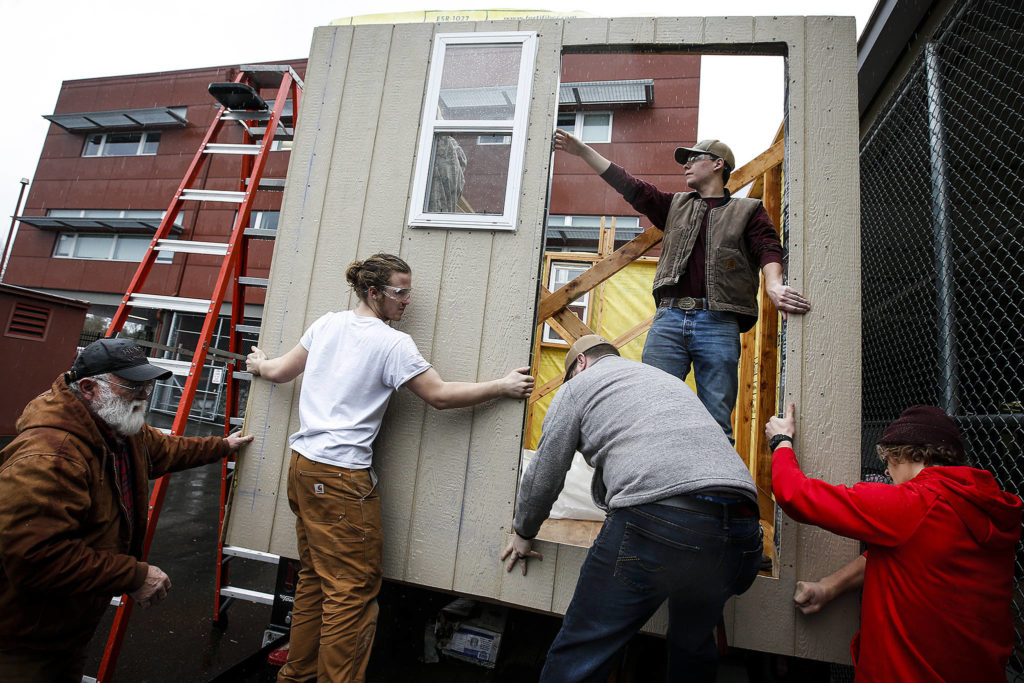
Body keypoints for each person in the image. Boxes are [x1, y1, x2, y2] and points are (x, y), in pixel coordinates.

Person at [246, 253, 534, 683]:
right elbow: (438, 395)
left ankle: (296, 675)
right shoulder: (391, 343)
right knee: (352, 593)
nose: (407, 301)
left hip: (304, 469)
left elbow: (280, 371)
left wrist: (259, 364)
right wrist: (502, 385)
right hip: (342, 480)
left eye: (409, 292)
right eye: (400, 293)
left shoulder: (327, 324)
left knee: (314, 579)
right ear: (374, 292)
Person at [502, 334, 763, 683]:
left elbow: (545, 473)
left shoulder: (580, 386)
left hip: (661, 525)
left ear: (579, 364)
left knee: (584, 650)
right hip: (743, 534)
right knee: (692, 648)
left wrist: (523, 530)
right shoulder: (667, 384)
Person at [0, 337, 254, 682]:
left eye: (148, 385)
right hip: (23, 638)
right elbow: (36, 556)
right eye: (134, 386)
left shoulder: (115, 426)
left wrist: (223, 445)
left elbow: (165, 450)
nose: (145, 395)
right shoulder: (50, 457)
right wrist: (131, 574)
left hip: (63, 628)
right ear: (89, 387)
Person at [554, 129, 810, 441]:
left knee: (716, 420)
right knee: (651, 411)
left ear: (718, 164)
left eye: (693, 158)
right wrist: (583, 151)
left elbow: (768, 248)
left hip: (719, 322)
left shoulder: (748, 211)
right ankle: (657, 485)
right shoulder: (674, 206)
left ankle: (711, 488)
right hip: (670, 320)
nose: (685, 164)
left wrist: (774, 284)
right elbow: (630, 186)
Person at [766, 403, 1022, 681]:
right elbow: (909, 556)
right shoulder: (981, 506)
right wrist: (830, 587)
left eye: (888, 460)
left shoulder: (914, 504)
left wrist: (781, 442)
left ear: (905, 455)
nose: (887, 472)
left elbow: (795, 495)